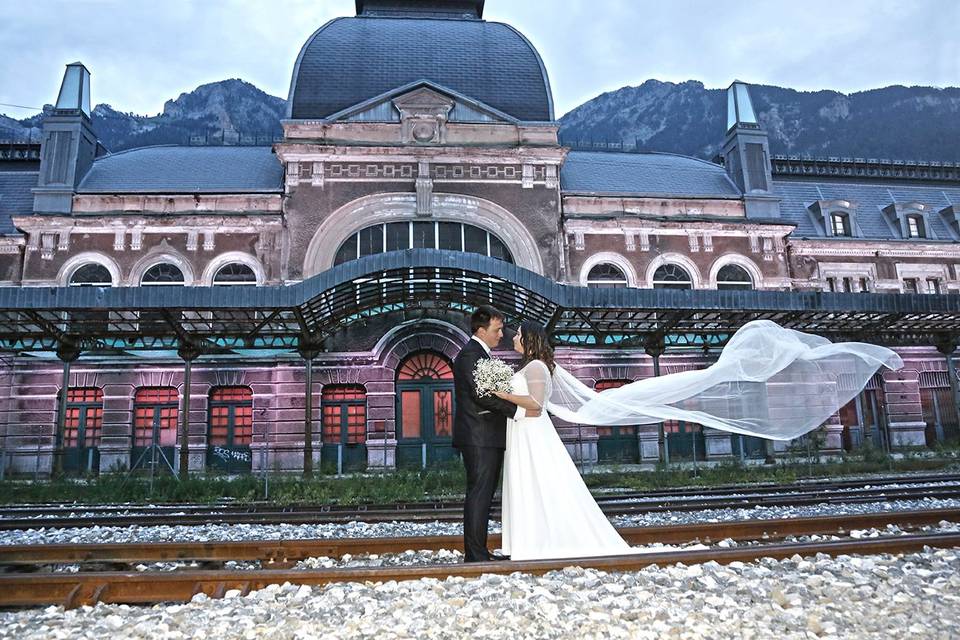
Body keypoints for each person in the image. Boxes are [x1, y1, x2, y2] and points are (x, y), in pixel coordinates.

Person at [493, 319, 902, 560]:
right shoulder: (533, 364)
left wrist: (497, 392)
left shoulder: (535, 368)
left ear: (528, 341)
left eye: (515, 336)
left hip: (532, 433)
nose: (510, 339)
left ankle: (545, 539)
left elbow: (534, 406)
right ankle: (535, 537)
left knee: (545, 487)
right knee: (541, 488)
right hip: (528, 437)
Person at [452, 305, 541, 563]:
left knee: (483, 493)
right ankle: (475, 554)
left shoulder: (480, 354)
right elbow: (483, 397)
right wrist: (518, 412)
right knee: (480, 493)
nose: (501, 334)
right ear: (481, 330)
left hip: (485, 436)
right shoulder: (472, 356)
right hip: (479, 436)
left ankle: (478, 551)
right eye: (497, 329)